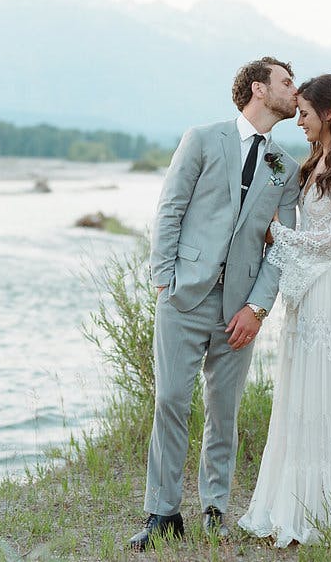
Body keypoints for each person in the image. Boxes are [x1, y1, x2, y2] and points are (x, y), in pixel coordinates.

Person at [128, 57, 302, 551]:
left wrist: (259, 307)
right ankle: (162, 512)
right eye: (287, 83)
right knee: (170, 401)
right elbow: (171, 207)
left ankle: (213, 508)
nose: (296, 91)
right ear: (258, 90)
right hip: (184, 297)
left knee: (223, 410)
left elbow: (282, 245)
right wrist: (164, 277)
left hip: (240, 309)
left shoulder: (284, 168)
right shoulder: (202, 139)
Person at [237, 73, 331, 546]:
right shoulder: (316, 161)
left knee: (326, 390)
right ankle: (292, 500)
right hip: (307, 288)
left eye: (305, 113)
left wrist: (282, 237)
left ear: (329, 113)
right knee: (300, 391)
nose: (299, 121)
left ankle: (325, 507)